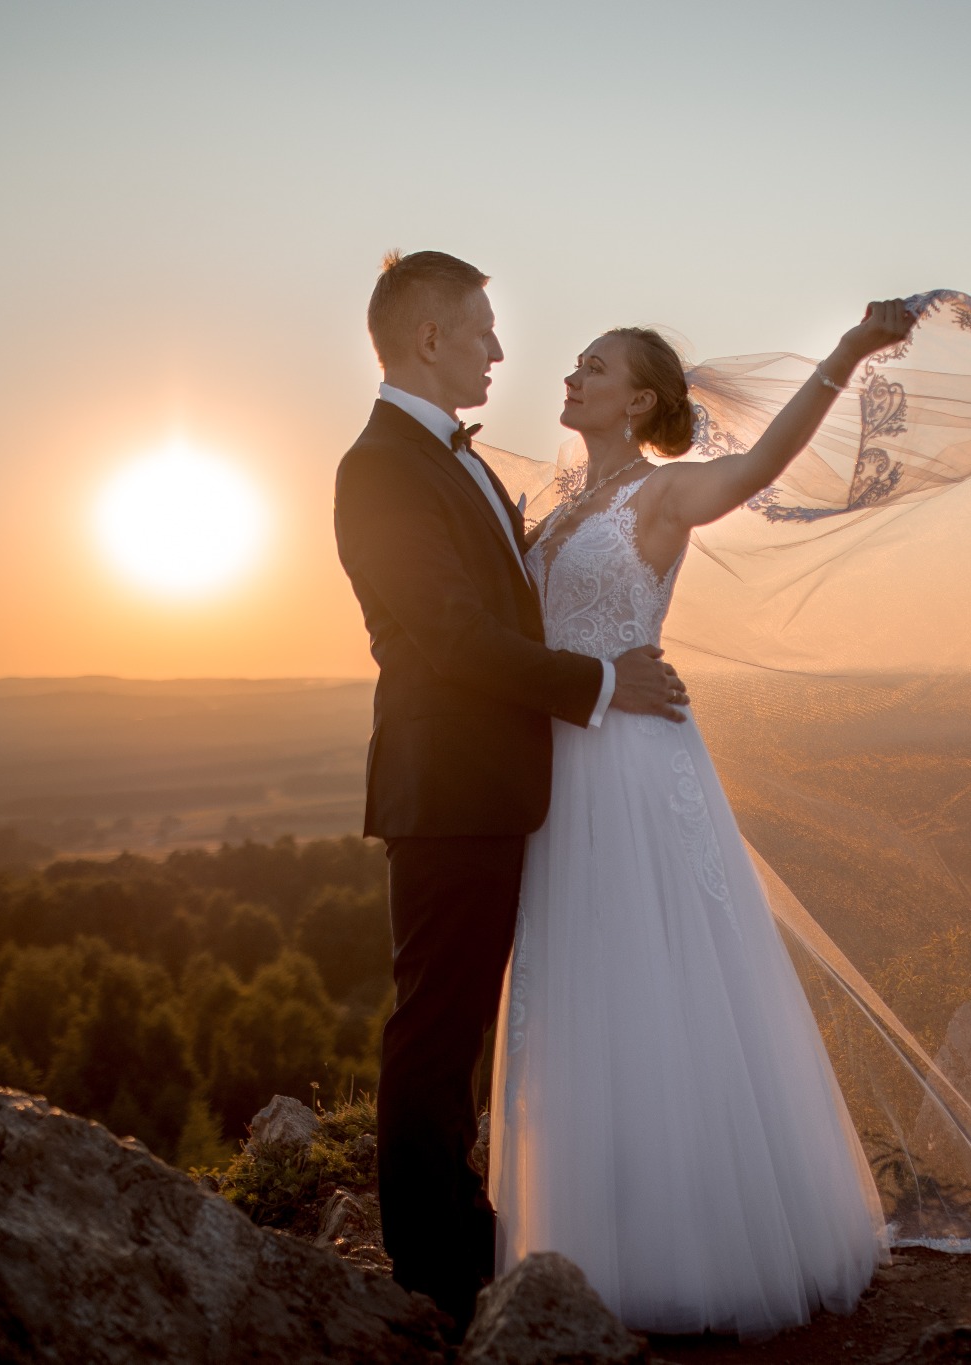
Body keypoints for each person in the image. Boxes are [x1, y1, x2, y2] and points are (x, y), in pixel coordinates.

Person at [488, 301, 915, 1337]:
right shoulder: (551, 504)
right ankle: (591, 1231)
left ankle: (695, 1244)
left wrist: (850, 350)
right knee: (581, 986)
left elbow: (762, 463)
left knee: (658, 976)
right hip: (562, 766)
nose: (572, 376)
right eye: (576, 364)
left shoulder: (664, 492)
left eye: (595, 367)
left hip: (634, 767)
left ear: (639, 398)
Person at [331, 250, 688, 1329]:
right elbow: (447, 636)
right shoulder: (382, 465)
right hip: (446, 789)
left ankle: (467, 1236)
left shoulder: (458, 463)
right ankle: (433, 1280)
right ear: (430, 337)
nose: (498, 348)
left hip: (494, 789)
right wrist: (598, 681)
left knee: (464, 1029)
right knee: (435, 1031)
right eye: (482, 327)